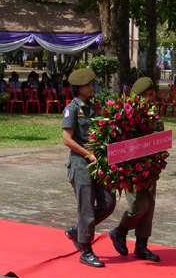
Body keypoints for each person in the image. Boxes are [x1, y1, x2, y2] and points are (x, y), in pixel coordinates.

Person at [62, 68, 116, 267]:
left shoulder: (93, 108)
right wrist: (88, 154)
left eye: (92, 84)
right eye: (88, 85)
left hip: (96, 163)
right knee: (86, 209)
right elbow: (66, 139)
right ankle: (86, 250)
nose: (92, 87)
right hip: (80, 163)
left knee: (108, 204)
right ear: (78, 88)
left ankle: (77, 231)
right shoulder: (72, 109)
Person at [108, 77, 162, 263]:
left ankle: (141, 246)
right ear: (136, 97)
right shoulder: (127, 116)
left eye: (150, 94)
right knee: (139, 206)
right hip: (131, 170)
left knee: (149, 207)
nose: (149, 99)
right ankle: (119, 231)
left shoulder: (155, 116)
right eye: (144, 96)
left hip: (150, 169)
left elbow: (160, 140)